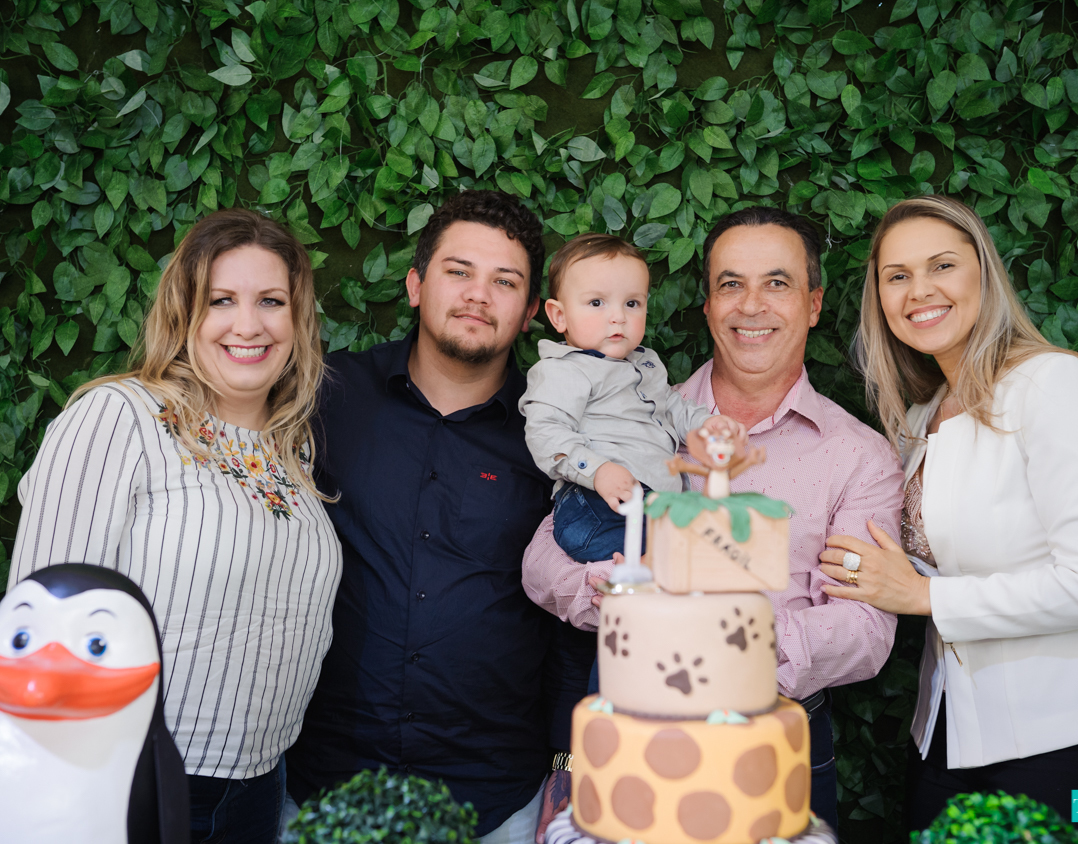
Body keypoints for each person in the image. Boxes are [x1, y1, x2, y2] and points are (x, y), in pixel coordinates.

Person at [522, 206, 905, 835]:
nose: (751, 305)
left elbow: (866, 631)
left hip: (777, 751)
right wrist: (628, 603)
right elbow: (543, 561)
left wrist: (725, 641)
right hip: (630, 752)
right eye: (731, 284)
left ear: (812, 304)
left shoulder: (857, 455)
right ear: (707, 307)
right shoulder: (631, 414)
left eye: (776, 283)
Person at [819, 195, 1078, 841]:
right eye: (897, 276)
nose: (920, 291)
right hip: (946, 744)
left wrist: (924, 595)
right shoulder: (920, 419)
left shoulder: (1054, 384)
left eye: (942, 265)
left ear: (983, 273)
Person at [9, 208, 343, 844]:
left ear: (297, 321)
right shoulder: (120, 417)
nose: (249, 324)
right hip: (135, 780)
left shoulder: (291, 453)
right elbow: (40, 627)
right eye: (221, 300)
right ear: (185, 312)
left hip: (260, 789)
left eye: (271, 301)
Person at [285, 190, 594, 844]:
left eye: (504, 281)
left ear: (532, 310)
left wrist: (570, 772)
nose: (479, 294)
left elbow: (574, 628)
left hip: (496, 800)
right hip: (320, 786)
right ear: (417, 285)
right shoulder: (325, 399)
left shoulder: (561, 445)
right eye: (459, 272)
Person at [519, 232, 742, 564]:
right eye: (597, 303)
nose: (618, 316)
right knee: (677, 551)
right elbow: (545, 433)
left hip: (648, 503)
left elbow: (671, 406)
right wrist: (597, 471)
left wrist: (707, 425)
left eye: (632, 303)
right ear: (558, 316)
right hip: (594, 503)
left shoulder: (646, 362)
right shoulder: (562, 371)